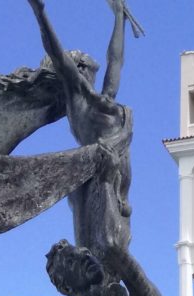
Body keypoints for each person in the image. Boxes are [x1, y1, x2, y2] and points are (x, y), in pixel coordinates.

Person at [25, 0, 134, 258]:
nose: (94, 68)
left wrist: (119, 17)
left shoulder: (105, 98)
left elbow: (116, 60)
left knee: (111, 252)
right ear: (80, 70)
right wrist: (40, 13)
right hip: (93, 178)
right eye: (87, 64)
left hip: (115, 183)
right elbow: (58, 55)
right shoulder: (77, 98)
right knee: (97, 250)